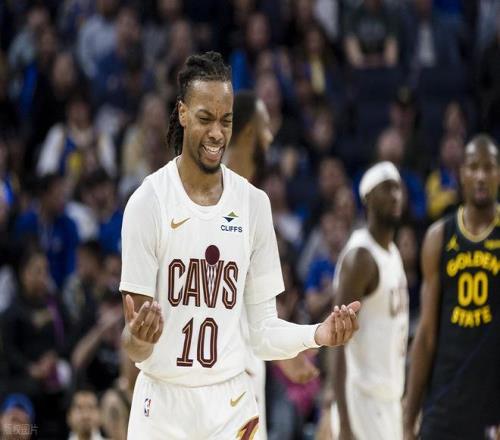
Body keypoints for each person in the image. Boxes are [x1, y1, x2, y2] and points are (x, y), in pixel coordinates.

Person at [119, 51, 360, 439]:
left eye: (226, 120)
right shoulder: (148, 202)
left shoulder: (254, 204)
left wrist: (318, 333)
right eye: (205, 118)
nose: (217, 133)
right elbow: (133, 343)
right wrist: (140, 339)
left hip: (230, 403)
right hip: (163, 405)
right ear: (182, 113)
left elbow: (262, 331)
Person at [225, 90, 320, 439]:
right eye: (265, 128)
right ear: (249, 131)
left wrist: (283, 353)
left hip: (249, 366)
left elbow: (255, 307)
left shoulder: (253, 202)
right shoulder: (212, 196)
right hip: (218, 374)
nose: (270, 138)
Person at [404, 134, 500, 439]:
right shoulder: (438, 237)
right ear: (462, 173)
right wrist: (408, 416)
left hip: (491, 405)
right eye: (473, 167)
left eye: (489, 167)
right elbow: (426, 335)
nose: (481, 176)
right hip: (444, 401)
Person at [328, 161, 409, 440]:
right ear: (367, 199)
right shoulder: (360, 258)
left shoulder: (393, 253)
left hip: (389, 401)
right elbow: (336, 340)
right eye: (386, 189)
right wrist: (344, 422)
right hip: (362, 403)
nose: (395, 195)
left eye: (397, 188)